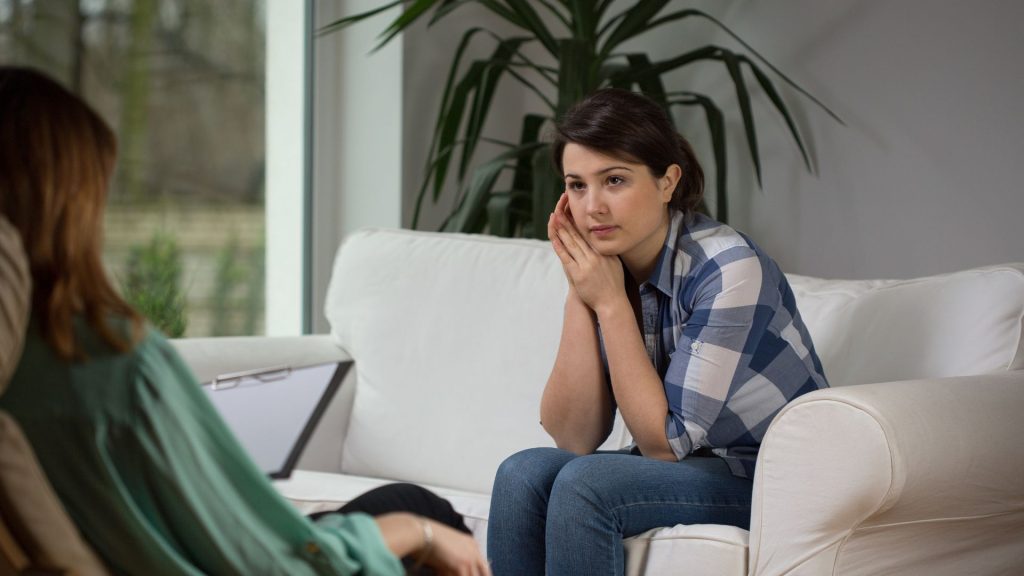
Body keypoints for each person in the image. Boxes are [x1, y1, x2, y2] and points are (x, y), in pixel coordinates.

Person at [0, 66, 490, 576]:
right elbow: (274, 565)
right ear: (71, 205)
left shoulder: (23, 367)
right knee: (421, 511)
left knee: (399, 501)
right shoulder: (111, 364)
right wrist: (417, 532)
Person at [486, 88, 829, 574]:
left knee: (587, 485)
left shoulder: (728, 268)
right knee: (522, 473)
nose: (592, 207)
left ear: (668, 182)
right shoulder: (610, 266)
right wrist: (581, 291)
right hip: (691, 467)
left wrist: (609, 303)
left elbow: (665, 446)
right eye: (577, 186)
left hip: (769, 478)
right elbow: (573, 436)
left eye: (615, 180)